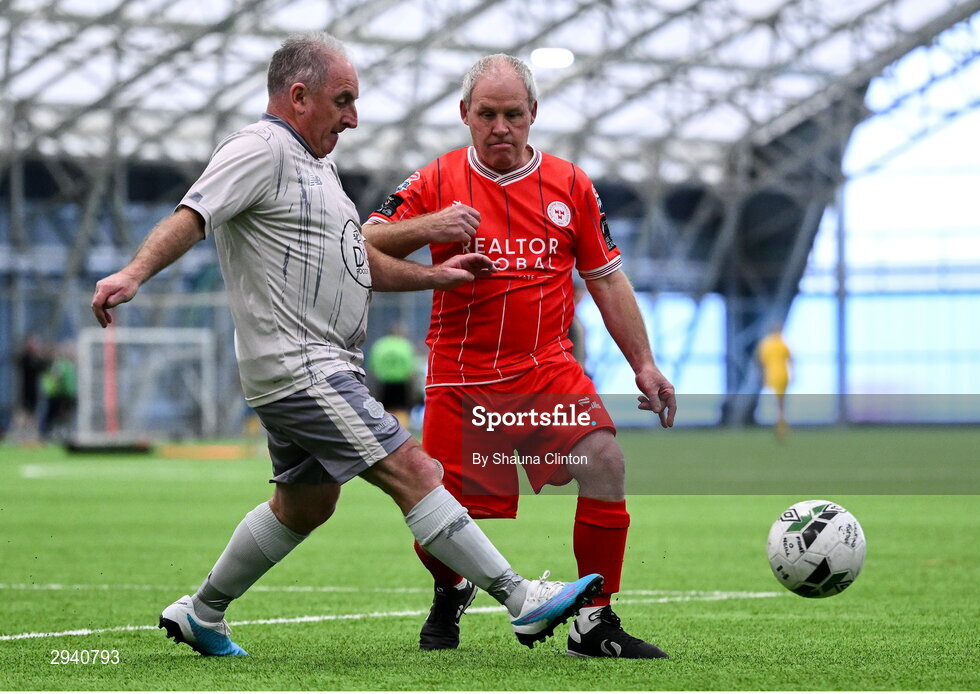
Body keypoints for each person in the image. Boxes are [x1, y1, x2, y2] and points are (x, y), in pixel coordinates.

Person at [90, 33, 601, 658]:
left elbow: (358, 261)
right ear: (298, 96)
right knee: (414, 470)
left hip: (322, 367)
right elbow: (192, 216)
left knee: (305, 504)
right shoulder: (258, 149)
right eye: (343, 100)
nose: (353, 117)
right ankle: (521, 599)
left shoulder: (319, 168)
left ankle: (202, 612)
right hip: (303, 368)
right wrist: (133, 273)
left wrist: (434, 275)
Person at [363, 54, 677, 659]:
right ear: (464, 115)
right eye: (487, 114)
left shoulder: (571, 185)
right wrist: (435, 230)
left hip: (545, 370)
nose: (500, 126)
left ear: (533, 114)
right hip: (461, 376)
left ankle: (594, 622)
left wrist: (643, 363)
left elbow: (607, 280)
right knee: (435, 515)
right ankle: (452, 586)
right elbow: (361, 236)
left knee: (605, 460)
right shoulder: (433, 181)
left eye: (513, 114)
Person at [367, 323, 418, 428]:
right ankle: (402, 431)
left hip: (383, 382)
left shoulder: (380, 345)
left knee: (384, 409)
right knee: (401, 409)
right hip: (401, 382)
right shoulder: (405, 344)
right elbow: (411, 368)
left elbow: (373, 368)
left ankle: (387, 430)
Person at [756, 324, 793, 440]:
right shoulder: (783, 343)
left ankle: (780, 425)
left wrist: (763, 376)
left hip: (772, 375)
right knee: (781, 403)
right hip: (783, 375)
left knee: (778, 403)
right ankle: (781, 425)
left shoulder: (767, 344)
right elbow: (791, 360)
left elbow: (761, 361)